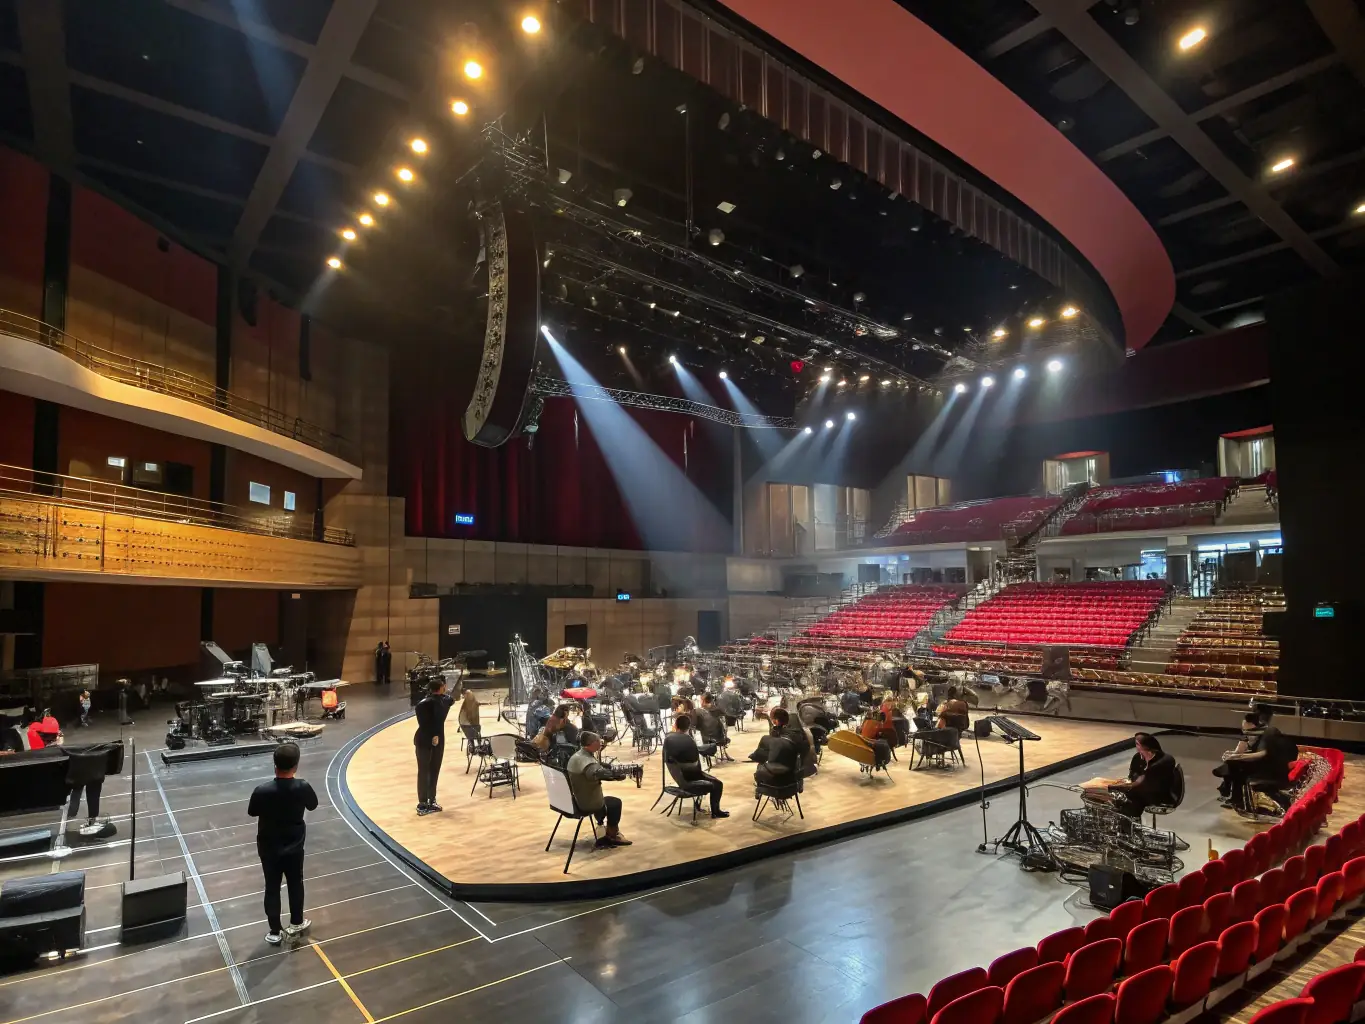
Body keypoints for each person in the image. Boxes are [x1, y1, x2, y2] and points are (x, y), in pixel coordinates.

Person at [247, 742, 318, 945]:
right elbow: (312, 805)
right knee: (296, 883)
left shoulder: (262, 790)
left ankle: (274, 931)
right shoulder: (302, 787)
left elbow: (252, 811)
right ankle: (296, 923)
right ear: (295, 766)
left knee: (272, 887)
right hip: (295, 846)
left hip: (268, 847)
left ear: (274, 765)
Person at [1215, 713, 1297, 811]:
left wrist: (1237, 756)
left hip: (1272, 768)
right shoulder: (1250, 733)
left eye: (1247, 730)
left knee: (1236, 764)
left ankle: (1234, 795)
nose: (1245, 733)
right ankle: (1235, 798)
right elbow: (1239, 750)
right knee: (1233, 763)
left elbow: (1261, 754)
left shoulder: (1269, 733)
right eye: (1243, 730)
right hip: (1262, 764)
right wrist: (1231, 754)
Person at [1086, 733, 1178, 818]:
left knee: (1126, 800)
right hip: (1144, 789)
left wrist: (1111, 786)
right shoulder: (1138, 758)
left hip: (1158, 794)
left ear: (1146, 746)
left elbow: (1140, 783)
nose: (1136, 747)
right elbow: (1133, 776)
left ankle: (1127, 824)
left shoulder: (1162, 762)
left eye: (1138, 744)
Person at [566, 732, 632, 846]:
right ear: (593, 743)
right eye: (598, 741)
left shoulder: (578, 756)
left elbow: (596, 765)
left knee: (608, 800)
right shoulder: (588, 763)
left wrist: (609, 767)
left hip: (575, 799)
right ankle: (612, 835)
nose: (601, 743)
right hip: (587, 803)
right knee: (615, 803)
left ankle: (601, 822)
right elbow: (597, 773)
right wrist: (616, 775)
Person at [663, 715, 728, 817]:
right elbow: (695, 760)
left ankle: (715, 812)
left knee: (716, 783)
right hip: (688, 779)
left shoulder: (669, 739)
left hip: (681, 776)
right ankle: (716, 811)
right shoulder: (688, 740)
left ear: (675, 725)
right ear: (688, 727)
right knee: (717, 784)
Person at [414, 677, 452, 815]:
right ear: (441, 688)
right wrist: (435, 734)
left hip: (428, 739)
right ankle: (425, 802)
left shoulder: (424, 703)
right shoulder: (440, 702)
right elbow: (451, 698)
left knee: (428, 771)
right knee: (429, 771)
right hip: (430, 740)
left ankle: (428, 801)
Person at [748, 707, 802, 786]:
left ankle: (759, 787)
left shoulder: (767, 738)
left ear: (776, 721)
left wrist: (754, 756)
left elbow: (760, 756)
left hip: (774, 777)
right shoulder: (796, 735)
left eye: (772, 719)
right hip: (793, 777)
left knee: (761, 762)